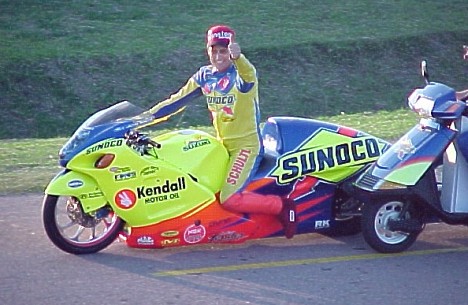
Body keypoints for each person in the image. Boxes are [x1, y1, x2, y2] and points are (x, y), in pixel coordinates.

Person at [145, 24, 297, 238]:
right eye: (214, 50)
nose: (218, 56)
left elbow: (248, 73)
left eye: (223, 51)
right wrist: (145, 119)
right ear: (208, 50)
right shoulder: (204, 76)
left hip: (246, 146)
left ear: (231, 50)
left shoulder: (242, 75)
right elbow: (176, 101)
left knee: (229, 198)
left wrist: (239, 58)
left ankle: (281, 206)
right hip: (221, 145)